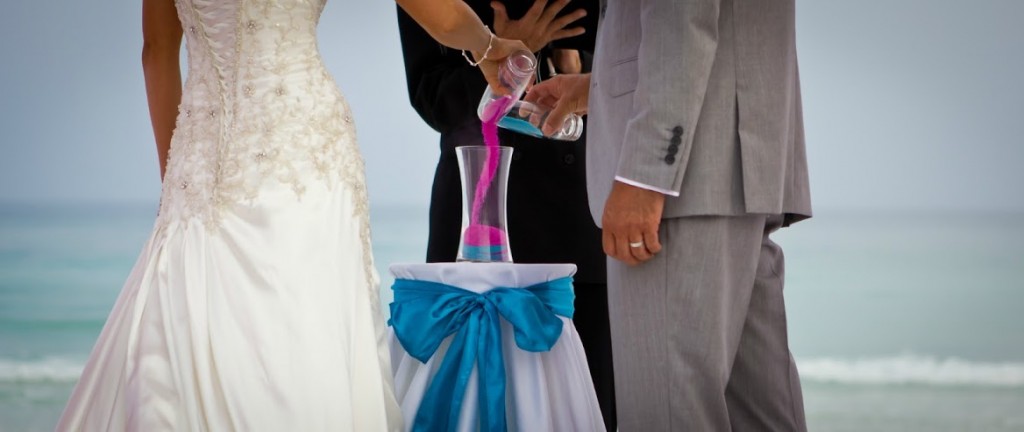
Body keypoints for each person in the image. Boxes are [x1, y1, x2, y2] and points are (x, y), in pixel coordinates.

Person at [56, 0, 526, 430]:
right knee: (305, 333)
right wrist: (488, 46)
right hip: (305, 153)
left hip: (211, 162)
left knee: (179, 332)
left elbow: (156, 50)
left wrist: (181, 176)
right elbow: (441, 16)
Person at [526, 0, 813, 430]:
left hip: (684, 182)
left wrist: (646, 173)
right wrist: (599, 86)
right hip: (743, 163)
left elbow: (681, 16)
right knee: (759, 417)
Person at [395, 1, 617, 429]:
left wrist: (574, 66)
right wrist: (509, 52)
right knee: (463, 401)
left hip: (581, 209)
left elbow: (634, 63)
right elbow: (433, 99)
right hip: (476, 218)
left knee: (588, 403)